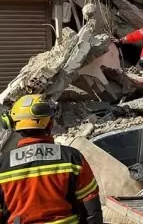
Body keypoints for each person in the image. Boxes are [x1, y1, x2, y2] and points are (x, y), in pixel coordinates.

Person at [0, 94, 103, 223]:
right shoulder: (72, 158)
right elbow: (91, 211)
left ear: (12, 123)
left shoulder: (2, 165)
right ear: (49, 122)